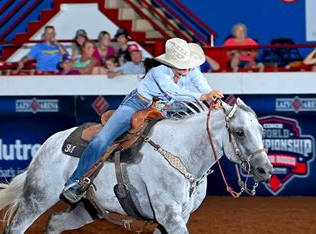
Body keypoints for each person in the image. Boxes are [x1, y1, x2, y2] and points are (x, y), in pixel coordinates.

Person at [61, 37, 224, 203]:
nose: (187, 71)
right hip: (136, 104)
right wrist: (204, 96)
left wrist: (216, 101)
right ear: (171, 62)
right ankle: (74, 182)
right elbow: (174, 92)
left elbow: (204, 87)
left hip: (162, 108)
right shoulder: (158, 71)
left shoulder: (192, 70)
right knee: (102, 139)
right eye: (182, 66)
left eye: (188, 65)